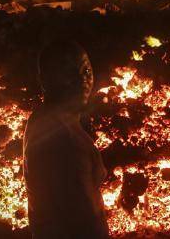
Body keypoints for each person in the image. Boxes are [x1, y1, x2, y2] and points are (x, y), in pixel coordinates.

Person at [23, 40, 109, 239]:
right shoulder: (63, 139)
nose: (82, 81)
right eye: (69, 74)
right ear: (45, 79)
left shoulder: (43, 119)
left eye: (86, 71)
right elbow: (84, 217)